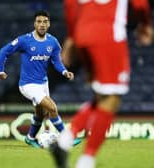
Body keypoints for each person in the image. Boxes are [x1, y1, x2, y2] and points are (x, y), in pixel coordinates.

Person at [50, 0, 153, 168]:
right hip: (108, 35)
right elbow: (140, 4)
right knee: (112, 100)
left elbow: (70, 4)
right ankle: (86, 161)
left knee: (102, 98)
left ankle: (64, 141)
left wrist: (71, 37)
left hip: (83, 33)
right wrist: (145, 23)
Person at [0, 10, 81, 148]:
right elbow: (4, 51)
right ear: (34, 24)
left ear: (49, 24)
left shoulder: (52, 42)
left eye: (45, 21)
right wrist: (0, 70)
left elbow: (56, 61)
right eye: (39, 21)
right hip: (28, 84)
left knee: (40, 114)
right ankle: (67, 138)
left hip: (43, 83)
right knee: (52, 108)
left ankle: (30, 138)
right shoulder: (24, 40)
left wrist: (65, 72)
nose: (42, 24)